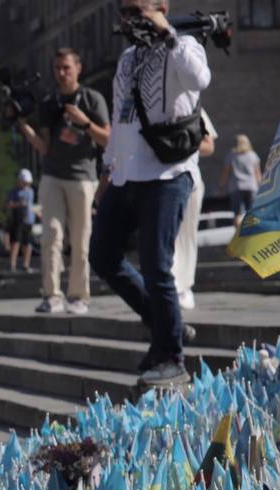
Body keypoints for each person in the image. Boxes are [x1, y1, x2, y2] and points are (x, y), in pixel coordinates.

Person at [90, 0, 211, 387]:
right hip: (126, 174)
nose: (130, 18)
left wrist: (166, 31)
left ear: (161, 8)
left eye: (139, 9)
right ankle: (164, 324)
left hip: (167, 174)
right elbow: (119, 118)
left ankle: (171, 354)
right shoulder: (126, 59)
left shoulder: (184, 46)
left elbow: (199, 79)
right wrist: (107, 173)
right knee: (102, 256)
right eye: (125, 11)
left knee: (157, 265)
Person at [18, 47, 110, 315]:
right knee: (51, 236)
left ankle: (79, 296)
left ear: (78, 68)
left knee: (81, 239)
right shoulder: (49, 103)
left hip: (83, 177)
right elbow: (45, 147)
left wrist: (84, 124)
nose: (61, 73)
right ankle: (51, 294)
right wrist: (26, 129)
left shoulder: (92, 99)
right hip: (52, 175)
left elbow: (108, 139)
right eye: (57, 68)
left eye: (66, 68)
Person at [172, 109, 218, 311]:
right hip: (156, 178)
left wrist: (180, 141)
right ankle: (169, 284)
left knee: (186, 234)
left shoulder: (194, 108)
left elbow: (209, 146)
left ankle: (184, 286)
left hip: (188, 179)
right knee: (164, 235)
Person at [220, 133, 262, 228]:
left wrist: (221, 185)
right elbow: (258, 174)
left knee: (238, 214)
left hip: (236, 187)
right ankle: (251, 235)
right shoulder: (253, 155)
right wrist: (261, 187)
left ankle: (239, 235)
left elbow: (226, 172)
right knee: (252, 212)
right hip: (251, 186)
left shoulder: (231, 155)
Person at [6, 169, 37, 274]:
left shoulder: (31, 191)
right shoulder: (14, 191)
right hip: (18, 220)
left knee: (28, 243)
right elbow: (9, 204)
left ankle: (26, 264)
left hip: (29, 220)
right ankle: (12, 264)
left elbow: (31, 206)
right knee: (16, 242)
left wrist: (36, 213)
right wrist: (19, 204)